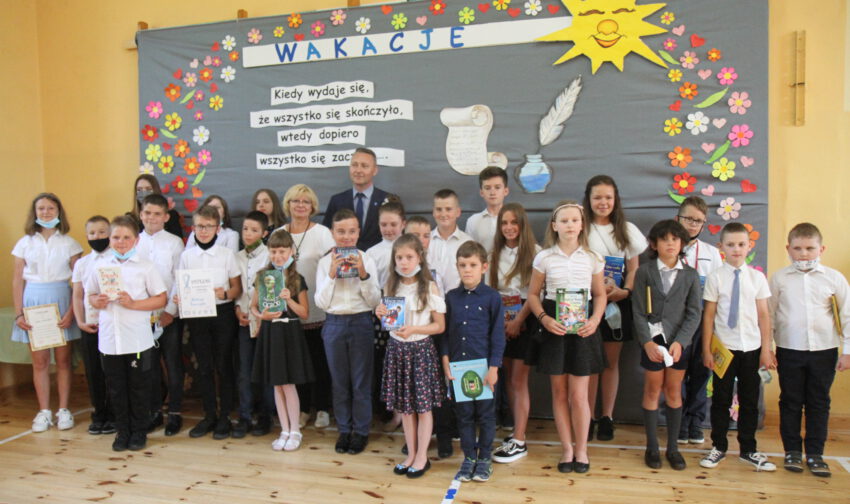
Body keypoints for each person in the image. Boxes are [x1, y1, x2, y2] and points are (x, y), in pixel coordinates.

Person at [526, 201, 606, 474]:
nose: (570, 225)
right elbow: (533, 295)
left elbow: (600, 295)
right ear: (554, 226)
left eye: (574, 220)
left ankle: (581, 449)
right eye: (564, 221)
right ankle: (567, 449)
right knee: (559, 393)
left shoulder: (593, 257)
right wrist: (544, 318)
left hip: (583, 328)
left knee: (579, 395)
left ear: (582, 225)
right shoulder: (544, 258)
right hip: (554, 328)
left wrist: (595, 320)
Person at [769, 223, 850, 477]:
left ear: (821, 249)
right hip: (789, 350)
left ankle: (815, 453)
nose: (804, 254)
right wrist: (767, 349)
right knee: (790, 401)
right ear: (788, 249)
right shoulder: (779, 279)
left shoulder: (834, 278)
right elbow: (769, 316)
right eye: (798, 248)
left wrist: (847, 351)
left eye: (810, 248)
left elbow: (847, 315)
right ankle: (792, 451)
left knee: (819, 401)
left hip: (824, 350)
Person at [86, 215, 167, 451]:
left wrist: (133, 304)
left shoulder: (146, 267)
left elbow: (160, 298)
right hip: (110, 340)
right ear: (110, 239)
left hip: (137, 340)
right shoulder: (100, 266)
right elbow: (90, 295)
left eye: (126, 237)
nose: (121, 242)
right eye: (116, 237)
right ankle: (122, 432)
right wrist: (97, 301)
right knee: (116, 389)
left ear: (136, 240)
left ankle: (139, 432)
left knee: (138, 388)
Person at [700, 222, 776, 471]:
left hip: (752, 348)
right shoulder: (715, 277)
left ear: (749, 246)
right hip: (724, 349)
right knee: (721, 399)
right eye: (730, 245)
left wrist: (766, 349)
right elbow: (709, 316)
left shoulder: (757, 278)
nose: (736, 249)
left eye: (741, 244)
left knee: (750, 400)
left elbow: (764, 315)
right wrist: (706, 349)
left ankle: (748, 449)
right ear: (721, 247)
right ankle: (719, 446)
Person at [631, 220, 702, 470]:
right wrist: (647, 343)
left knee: (673, 391)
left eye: (675, 239)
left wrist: (681, 342)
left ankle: (673, 448)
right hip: (652, 342)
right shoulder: (644, 272)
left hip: (678, 345)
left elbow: (694, 313)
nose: (670, 243)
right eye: (664, 239)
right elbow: (638, 312)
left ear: (682, 243)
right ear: (654, 244)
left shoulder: (690, 275)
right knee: (652, 390)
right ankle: (652, 447)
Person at [11, 192, 82, 432]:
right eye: (41, 208)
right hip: (34, 302)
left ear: (59, 211)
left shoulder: (70, 243)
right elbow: (17, 280)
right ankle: (43, 411)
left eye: (51, 208)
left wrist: (72, 311)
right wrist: (19, 313)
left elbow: (79, 282)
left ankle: (63, 409)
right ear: (34, 212)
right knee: (40, 361)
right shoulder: (24, 243)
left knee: (63, 360)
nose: (46, 212)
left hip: (61, 299)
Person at [583, 175, 647, 441]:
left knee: (610, 363)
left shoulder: (627, 229)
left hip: (617, 303)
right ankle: (587, 417)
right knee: (589, 364)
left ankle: (606, 416)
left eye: (608, 197)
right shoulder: (580, 227)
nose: (603, 202)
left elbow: (634, 268)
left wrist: (625, 292)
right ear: (588, 199)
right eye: (597, 197)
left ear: (615, 199)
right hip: (585, 303)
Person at [377, 234, 446, 478]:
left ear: (419, 258)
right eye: (399, 257)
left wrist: (415, 329)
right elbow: (389, 322)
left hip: (420, 350)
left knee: (423, 408)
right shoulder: (390, 285)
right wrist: (380, 312)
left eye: (409, 257)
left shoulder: (429, 286)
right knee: (405, 408)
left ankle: (422, 456)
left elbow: (439, 326)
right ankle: (411, 453)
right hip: (397, 350)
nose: (404, 262)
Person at [315, 209, 381, 455]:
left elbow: (375, 301)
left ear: (358, 233)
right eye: (341, 232)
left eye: (351, 231)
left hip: (361, 321)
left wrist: (363, 274)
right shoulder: (324, 263)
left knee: (361, 382)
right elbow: (321, 303)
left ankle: (361, 431)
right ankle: (344, 430)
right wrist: (332, 274)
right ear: (333, 233)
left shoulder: (367, 259)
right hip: (333, 324)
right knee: (339, 381)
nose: (346, 237)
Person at [174, 205, 242, 439]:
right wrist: (180, 297)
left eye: (208, 226)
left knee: (223, 365)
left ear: (217, 228)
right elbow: (181, 286)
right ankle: (209, 415)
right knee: (203, 367)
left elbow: (237, 288)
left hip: (222, 314)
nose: (203, 231)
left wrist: (225, 294)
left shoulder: (226, 255)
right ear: (193, 228)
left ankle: (225, 417)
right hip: (197, 315)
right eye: (199, 226)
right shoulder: (187, 256)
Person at [441, 241, 505, 483]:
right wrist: (445, 361)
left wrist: (494, 368)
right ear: (457, 267)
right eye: (462, 265)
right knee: (464, 415)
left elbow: (498, 335)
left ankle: (484, 458)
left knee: (486, 415)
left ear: (484, 267)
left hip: (484, 369)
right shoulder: (451, 298)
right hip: (458, 368)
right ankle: (469, 458)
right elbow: (444, 334)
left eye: (472, 265)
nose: (467, 270)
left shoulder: (492, 297)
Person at [251, 229, 315, 451]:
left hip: (289, 333)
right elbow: (253, 306)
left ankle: (295, 430)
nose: (277, 256)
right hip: (270, 332)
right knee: (276, 384)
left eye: (282, 251)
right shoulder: (263, 276)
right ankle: (284, 430)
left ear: (291, 252)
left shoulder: (297, 279)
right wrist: (262, 316)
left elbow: (304, 313)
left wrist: (288, 300)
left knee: (288, 384)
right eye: (273, 251)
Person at [281, 184, 336, 430]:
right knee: (297, 363)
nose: (300, 205)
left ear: (312, 206)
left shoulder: (322, 233)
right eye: (296, 201)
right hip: (289, 311)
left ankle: (322, 408)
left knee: (320, 362)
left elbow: (333, 268)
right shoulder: (279, 233)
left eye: (305, 201)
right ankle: (302, 409)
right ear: (288, 204)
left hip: (318, 309)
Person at [490, 203, 541, 464]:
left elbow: (535, 293)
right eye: (504, 223)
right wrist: (501, 322)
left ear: (522, 224)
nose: (509, 227)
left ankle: (520, 439)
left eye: (514, 222)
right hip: (501, 319)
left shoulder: (536, 253)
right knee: (509, 379)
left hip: (525, 319)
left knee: (519, 380)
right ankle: (516, 432)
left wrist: (518, 320)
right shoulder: (493, 254)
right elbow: (492, 291)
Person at [674, 196, 723, 445]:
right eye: (688, 219)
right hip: (676, 321)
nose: (693, 225)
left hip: (703, 320)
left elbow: (719, 290)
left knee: (701, 372)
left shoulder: (711, 253)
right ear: (677, 219)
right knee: (677, 372)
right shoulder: (668, 249)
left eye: (698, 221)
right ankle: (679, 422)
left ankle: (695, 421)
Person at [136, 194, 186, 436]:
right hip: (141, 315)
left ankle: (174, 412)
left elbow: (179, 278)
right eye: (147, 213)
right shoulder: (134, 242)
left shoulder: (175, 243)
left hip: (168, 316)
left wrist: (169, 312)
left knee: (173, 363)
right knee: (149, 366)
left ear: (166, 217)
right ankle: (154, 411)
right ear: (141, 214)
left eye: (157, 214)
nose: (151, 218)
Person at [366, 199, 407, 431]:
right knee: (387, 364)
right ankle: (392, 412)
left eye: (393, 224)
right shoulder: (372, 253)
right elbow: (370, 287)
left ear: (403, 224)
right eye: (384, 224)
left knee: (404, 362)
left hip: (407, 308)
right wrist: (378, 307)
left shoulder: (409, 247)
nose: (389, 229)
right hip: (382, 309)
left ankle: (407, 411)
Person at [71, 215, 115, 435]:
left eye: (102, 232)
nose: (97, 237)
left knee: (113, 372)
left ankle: (115, 414)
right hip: (90, 326)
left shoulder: (117, 260)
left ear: (110, 233)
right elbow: (77, 294)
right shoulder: (82, 263)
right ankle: (99, 413)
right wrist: (80, 321)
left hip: (112, 325)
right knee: (93, 371)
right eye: (92, 233)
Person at [232, 211, 270, 438]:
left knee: (264, 370)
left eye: (254, 230)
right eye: (245, 229)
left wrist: (262, 315)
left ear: (264, 233)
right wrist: (238, 310)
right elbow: (237, 290)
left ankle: (265, 416)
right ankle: (245, 416)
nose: (248, 234)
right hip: (244, 321)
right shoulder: (236, 257)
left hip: (264, 321)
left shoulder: (269, 256)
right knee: (244, 371)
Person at [322, 148, 393, 250]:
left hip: (379, 258)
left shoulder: (388, 200)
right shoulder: (336, 201)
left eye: (364, 166)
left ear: (375, 170)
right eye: (354, 165)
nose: (358, 170)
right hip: (344, 257)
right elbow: (327, 235)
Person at [428, 189, 473, 292]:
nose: (443, 214)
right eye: (439, 209)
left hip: (460, 298)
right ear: (433, 212)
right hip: (430, 299)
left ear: (458, 212)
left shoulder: (468, 242)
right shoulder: (424, 241)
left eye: (448, 209)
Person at [465, 166, 510, 254]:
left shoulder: (515, 219)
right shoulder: (473, 221)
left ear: (505, 191)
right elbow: (469, 254)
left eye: (497, 187)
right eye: (487, 188)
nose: (492, 192)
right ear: (481, 192)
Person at [130, 174, 183, 239]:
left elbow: (176, 240)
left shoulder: (171, 216)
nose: (144, 192)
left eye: (148, 189)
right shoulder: (130, 218)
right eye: (139, 189)